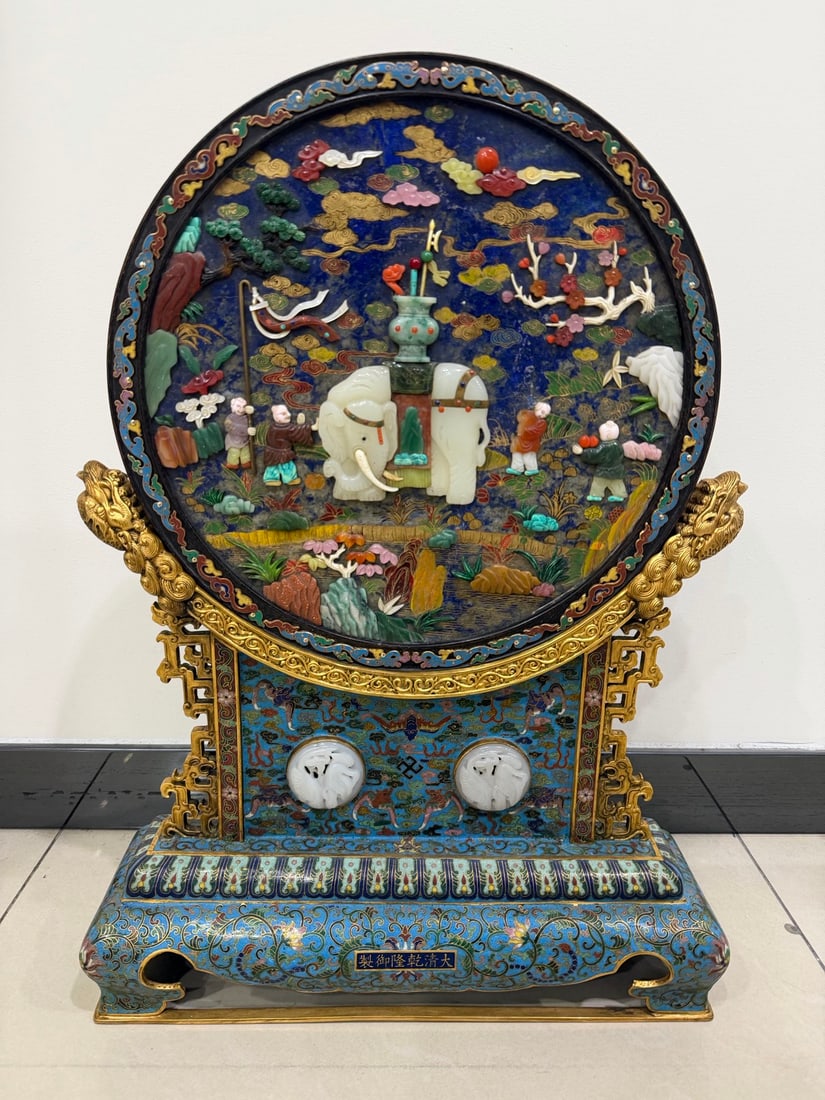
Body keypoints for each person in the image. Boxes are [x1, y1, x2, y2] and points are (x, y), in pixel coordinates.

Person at [571, 420, 627, 502]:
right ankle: (619, 495)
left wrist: (582, 452)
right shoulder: (618, 446)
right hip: (617, 470)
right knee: (617, 483)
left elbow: (596, 455)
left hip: (603, 471)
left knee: (598, 483)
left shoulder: (604, 446)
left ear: (606, 435)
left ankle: (595, 495)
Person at [263, 404, 313, 486]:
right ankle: (287, 479)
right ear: (276, 418)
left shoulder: (276, 427)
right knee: (286, 466)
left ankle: (271, 479)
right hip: (280, 452)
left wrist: (301, 428)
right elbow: (294, 431)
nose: (289, 415)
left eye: (288, 412)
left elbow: (294, 431)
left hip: (273, 452)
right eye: (284, 414)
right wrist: (307, 428)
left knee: (274, 466)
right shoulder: (281, 428)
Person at [507, 400, 551, 475]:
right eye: (542, 412)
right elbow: (520, 416)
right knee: (517, 453)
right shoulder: (528, 414)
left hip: (531, 442)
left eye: (545, 415)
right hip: (520, 440)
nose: (542, 416)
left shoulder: (542, 423)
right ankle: (517, 468)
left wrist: (525, 430)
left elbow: (536, 432)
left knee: (529, 456)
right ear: (536, 408)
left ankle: (532, 469)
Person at [223, 397, 255, 469]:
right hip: (233, 441)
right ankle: (232, 463)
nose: (241, 409)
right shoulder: (229, 418)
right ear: (233, 407)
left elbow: (250, 424)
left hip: (244, 441)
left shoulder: (247, 417)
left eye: (244, 407)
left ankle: (246, 462)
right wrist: (246, 430)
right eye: (238, 406)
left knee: (246, 452)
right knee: (234, 452)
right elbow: (231, 428)